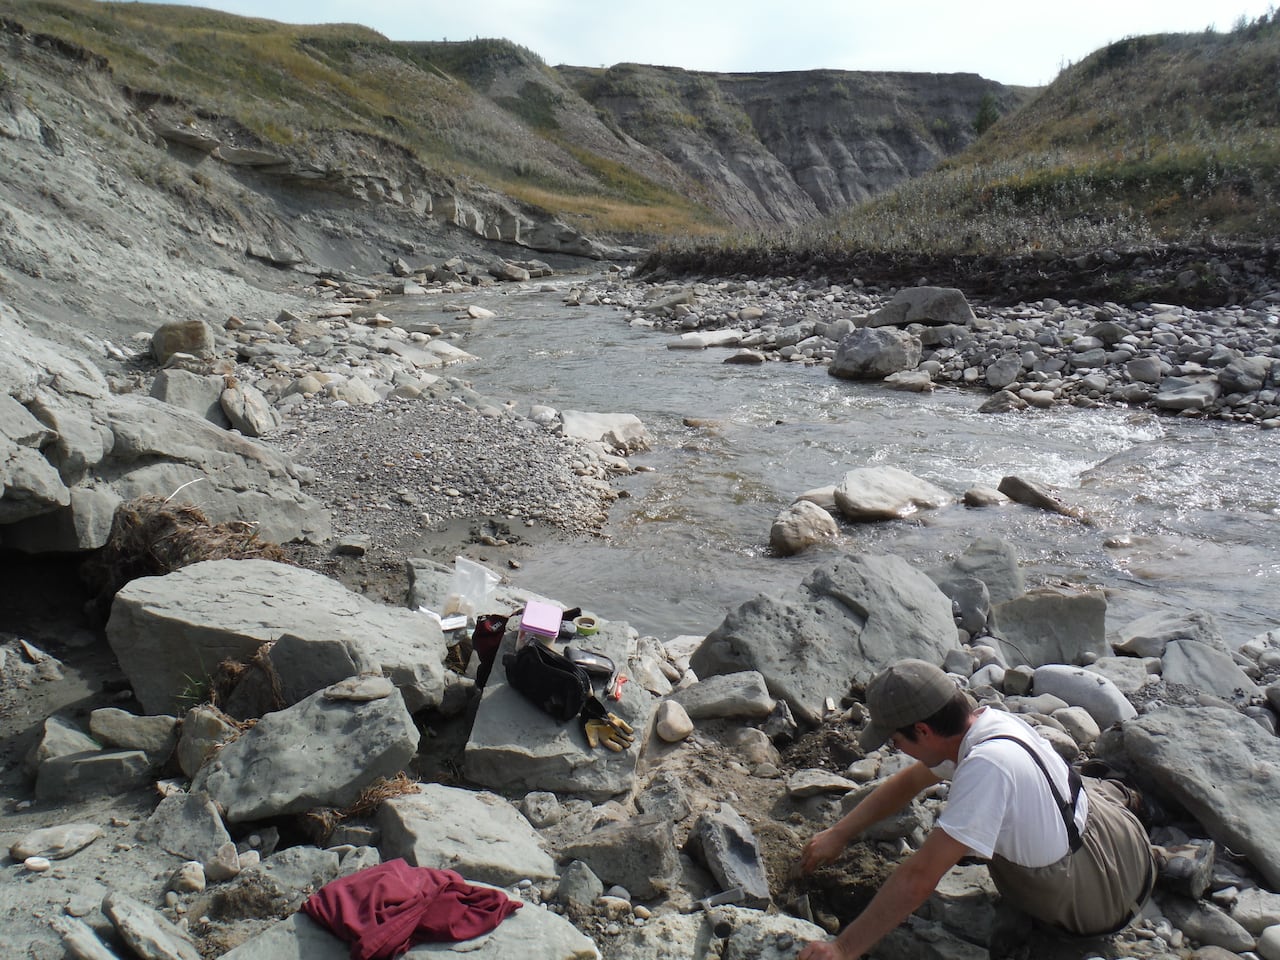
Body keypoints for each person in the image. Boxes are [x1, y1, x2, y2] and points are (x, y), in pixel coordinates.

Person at [797, 659, 1155, 960]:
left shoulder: (986, 767)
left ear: (922, 730)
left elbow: (920, 877)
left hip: (1094, 907)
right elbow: (910, 782)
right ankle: (1159, 851)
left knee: (981, 824)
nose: (898, 749)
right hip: (1124, 843)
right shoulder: (989, 724)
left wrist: (843, 948)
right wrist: (840, 833)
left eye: (897, 740)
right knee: (1078, 784)